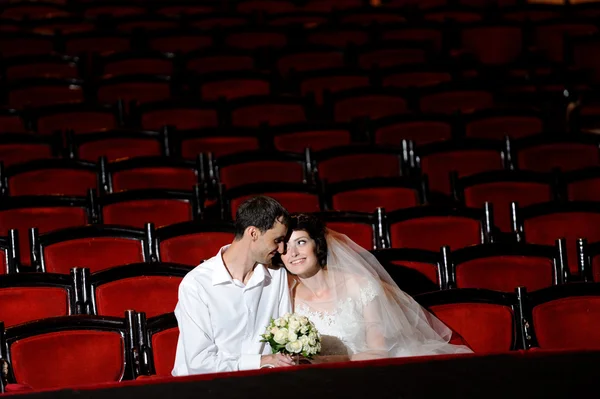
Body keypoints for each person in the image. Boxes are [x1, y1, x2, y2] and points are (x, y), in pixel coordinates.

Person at [276, 214, 473, 362]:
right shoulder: (286, 296)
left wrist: (330, 362)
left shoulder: (360, 286)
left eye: (301, 242)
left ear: (317, 245)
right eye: (286, 247)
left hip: (368, 371)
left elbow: (380, 352)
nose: (293, 253)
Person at [172, 196, 296, 376]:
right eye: (277, 240)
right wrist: (261, 361)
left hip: (265, 384)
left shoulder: (277, 276)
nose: (282, 249)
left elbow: (284, 342)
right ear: (253, 233)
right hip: (206, 386)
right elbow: (199, 363)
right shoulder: (197, 284)